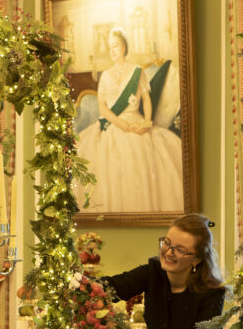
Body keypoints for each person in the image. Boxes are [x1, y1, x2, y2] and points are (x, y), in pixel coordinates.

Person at [76, 28, 184, 213]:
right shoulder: (106, 75)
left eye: (116, 46)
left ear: (124, 47)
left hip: (136, 121)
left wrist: (147, 122)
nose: (113, 51)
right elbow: (102, 107)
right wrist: (119, 123)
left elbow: (147, 99)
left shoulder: (137, 72)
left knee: (143, 147)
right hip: (113, 124)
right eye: (110, 47)